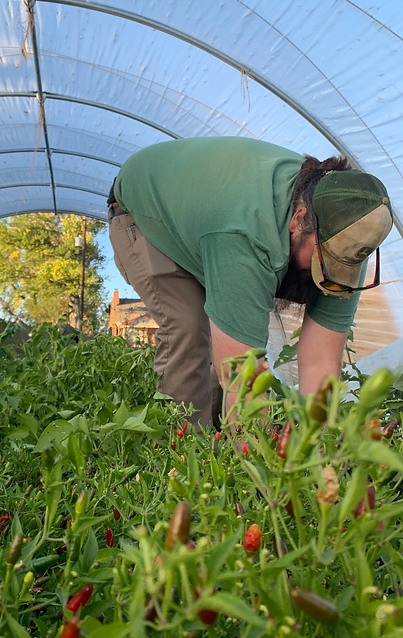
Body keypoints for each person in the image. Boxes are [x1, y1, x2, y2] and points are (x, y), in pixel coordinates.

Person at [107, 137, 393, 430]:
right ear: (299, 219)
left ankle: (216, 442)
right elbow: (241, 377)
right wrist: (261, 451)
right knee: (189, 325)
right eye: (323, 261)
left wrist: (317, 441)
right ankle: (180, 448)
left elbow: (320, 361)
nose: (327, 275)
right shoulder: (247, 234)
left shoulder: (347, 240)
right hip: (143, 213)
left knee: (225, 341)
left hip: (210, 222)